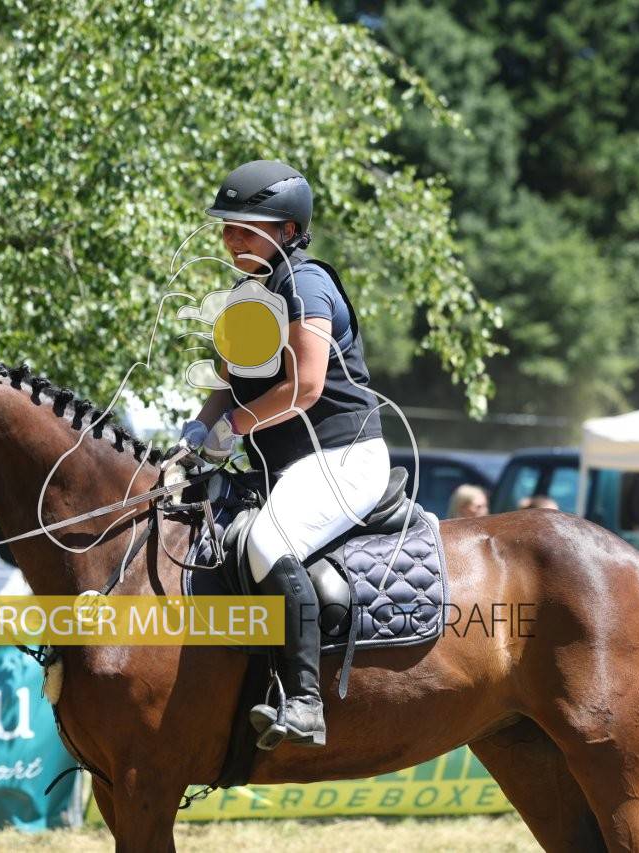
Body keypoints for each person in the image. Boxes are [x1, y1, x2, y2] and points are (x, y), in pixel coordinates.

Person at [179, 160, 388, 749]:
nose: (231, 240)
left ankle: (304, 702)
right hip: (281, 466)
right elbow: (228, 385)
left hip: (343, 458)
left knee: (269, 542)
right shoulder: (246, 295)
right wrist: (197, 433)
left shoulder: (307, 285)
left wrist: (233, 427)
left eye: (244, 229)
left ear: (288, 231)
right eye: (227, 228)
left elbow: (307, 387)